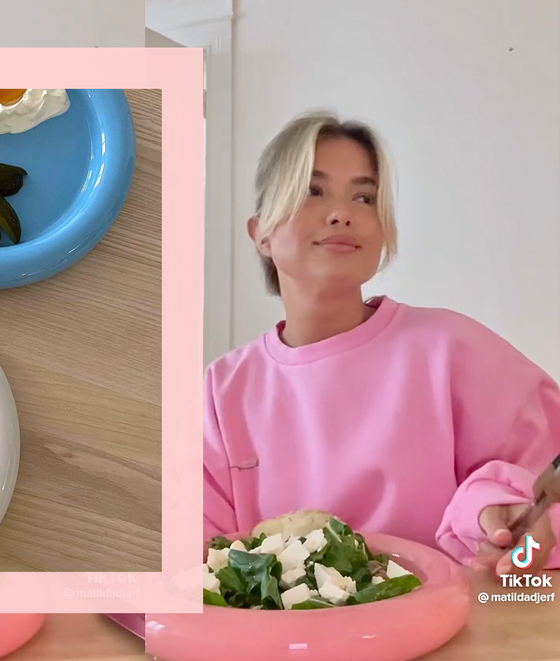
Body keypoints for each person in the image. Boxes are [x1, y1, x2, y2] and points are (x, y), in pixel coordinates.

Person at [203, 110, 560, 576]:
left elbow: (539, 519)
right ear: (262, 234)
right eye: (314, 191)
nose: (342, 213)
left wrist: (516, 543)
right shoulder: (225, 388)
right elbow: (196, 562)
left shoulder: (452, 351)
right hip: (288, 647)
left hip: (461, 638)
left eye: (365, 197)